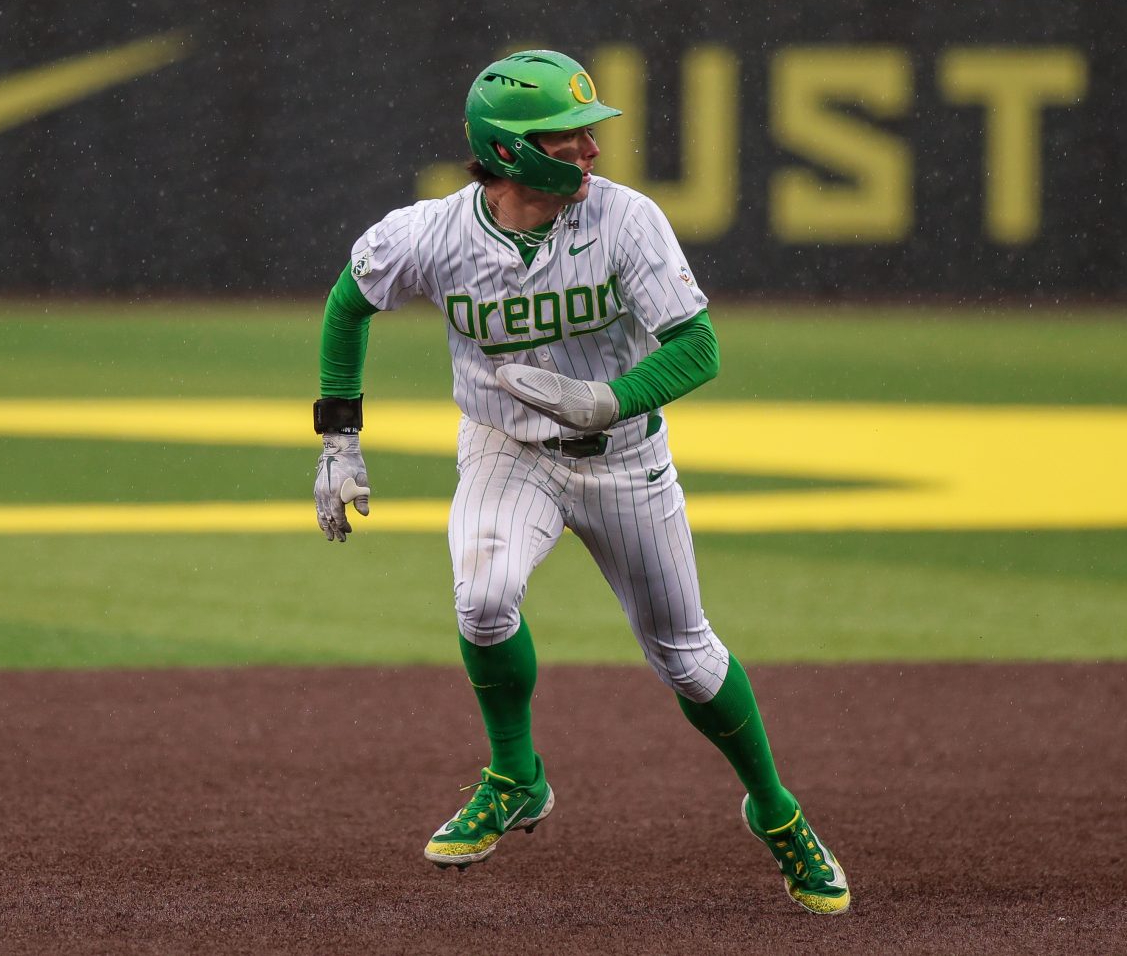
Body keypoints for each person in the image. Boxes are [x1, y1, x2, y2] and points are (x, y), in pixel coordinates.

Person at [313, 49, 850, 916]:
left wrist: (607, 399)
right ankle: (516, 774)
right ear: (512, 150)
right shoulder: (433, 233)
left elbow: (699, 348)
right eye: (569, 141)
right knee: (483, 597)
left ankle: (778, 812)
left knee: (687, 655)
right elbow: (350, 302)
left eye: (589, 137)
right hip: (508, 448)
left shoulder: (626, 221)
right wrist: (339, 435)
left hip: (627, 457)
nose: (592, 153)